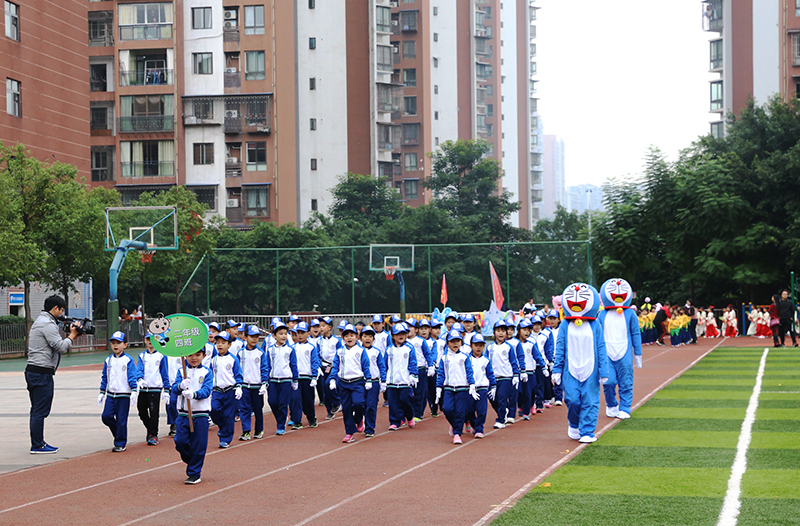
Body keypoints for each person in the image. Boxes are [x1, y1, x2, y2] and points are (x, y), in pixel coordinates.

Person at [552, 283, 609, 443]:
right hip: (570, 369)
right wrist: (556, 369)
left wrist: (603, 371)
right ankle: (574, 423)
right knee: (572, 400)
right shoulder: (565, 324)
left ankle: (587, 431)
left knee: (590, 401)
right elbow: (560, 346)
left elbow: (601, 347)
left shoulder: (595, 324)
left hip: (591, 370)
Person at [25, 295, 81, 454]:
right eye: (61, 310)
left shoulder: (41, 321)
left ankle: (38, 442)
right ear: (55, 308)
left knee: (37, 409)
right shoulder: (47, 324)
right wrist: (72, 336)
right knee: (40, 410)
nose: (62, 313)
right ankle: (37, 445)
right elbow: (60, 346)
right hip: (41, 372)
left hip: (35, 370)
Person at [598, 278, 642, 420]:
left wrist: (638, 353)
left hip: (625, 352)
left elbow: (635, 333)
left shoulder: (630, 314)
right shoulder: (602, 315)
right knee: (608, 381)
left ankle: (625, 407)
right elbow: (597, 335)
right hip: (607, 353)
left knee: (626, 381)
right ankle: (611, 405)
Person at [172, 348, 213, 484]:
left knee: (199, 444)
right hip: (184, 413)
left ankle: (194, 473)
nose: (193, 358)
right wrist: (180, 386)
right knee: (180, 441)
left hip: (200, 414)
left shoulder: (207, 372)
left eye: (197, 355)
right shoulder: (181, 371)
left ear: (203, 356)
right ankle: (191, 460)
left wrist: (194, 394)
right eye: (190, 354)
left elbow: (207, 390)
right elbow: (174, 389)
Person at [329, 324, 372, 443]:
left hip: (357, 381)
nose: (349, 338)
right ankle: (349, 433)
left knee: (359, 403)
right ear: (343, 337)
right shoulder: (339, 351)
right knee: (346, 408)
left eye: (352, 335)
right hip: (343, 382)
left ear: (357, 337)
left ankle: (359, 419)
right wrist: (333, 379)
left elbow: (366, 366)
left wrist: (368, 379)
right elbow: (335, 366)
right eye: (346, 335)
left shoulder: (361, 350)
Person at [435, 329, 478, 445]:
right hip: (449, 388)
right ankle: (454, 426)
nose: (455, 344)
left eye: (458, 341)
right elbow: (441, 374)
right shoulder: (444, 358)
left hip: (462, 389)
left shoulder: (464, 357)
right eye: (452, 341)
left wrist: (472, 385)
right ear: (448, 343)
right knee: (447, 409)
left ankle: (457, 434)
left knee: (460, 412)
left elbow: (469, 372)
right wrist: (438, 388)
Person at [98, 331, 139, 453]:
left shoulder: (128, 360)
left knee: (121, 420)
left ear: (125, 345)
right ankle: (119, 434)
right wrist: (102, 391)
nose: (115, 346)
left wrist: (134, 390)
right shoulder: (108, 360)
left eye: (119, 343)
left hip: (123, 395)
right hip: (111, 395)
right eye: (113, 343)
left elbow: (132, 376)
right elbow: (105, 377)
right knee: (106, 417)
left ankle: (120, 443)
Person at [209, 331, 243, 448]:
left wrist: (238, 386)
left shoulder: (233, 359)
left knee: (229, 416)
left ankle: (225, 438)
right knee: (214, 410)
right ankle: (222, 426)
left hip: (230, 391)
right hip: (217, 391)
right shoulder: (213, 360)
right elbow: (210, 375)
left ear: (229, 345)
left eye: (223, 343)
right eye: (218, 342)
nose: (220, 345)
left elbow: (238, 374)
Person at [136, 333, 170, 445]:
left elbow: (164, 372)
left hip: (155, 388)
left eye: (153, 339)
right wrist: (140, 379)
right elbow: (139, 369)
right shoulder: (142, 356)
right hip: (144, 388)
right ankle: (150, 429)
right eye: (148, 339)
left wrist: (166, 388)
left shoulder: (161, 355)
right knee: (141, 411)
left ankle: (153, 434)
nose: (150, 341)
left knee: (154, 412)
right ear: (145, 341)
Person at [485, 320, 520, 429]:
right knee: (492, 398)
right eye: (498, 331)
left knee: (501, 397)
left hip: (505, 377)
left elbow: (513, 362)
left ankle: (500, 420)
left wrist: (515, 375)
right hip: (493, 378)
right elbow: (486, 362)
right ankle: (503, 411)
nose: (500, 333)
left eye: (503, 331)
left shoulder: (508, 347)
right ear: (494, 332)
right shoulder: (490, 347)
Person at [266, 322, 299, 435]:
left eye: (285, 333)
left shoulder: (290, 350)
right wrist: (265, 380)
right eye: (280, 334)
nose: (283, 336)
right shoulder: (270, 350)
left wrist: (295, 380)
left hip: (286, 380)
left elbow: (293, 365)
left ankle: (281, 425)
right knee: (272, 402)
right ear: (274, 335)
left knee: (283, 403)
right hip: (274, 380)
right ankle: (281, 418)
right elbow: (268, 365)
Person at [385, 323, 418, 431]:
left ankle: (409, 416)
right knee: (393, 403)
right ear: (393, 336)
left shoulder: (409, 348)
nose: (401, 336)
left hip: (405, 381)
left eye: (403, 334)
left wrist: (413, 375)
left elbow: (413, 363)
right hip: (392, 382)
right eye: (398, 334)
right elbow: (385, 364)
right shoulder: (389, 349)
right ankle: (394, 421)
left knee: (406, 400)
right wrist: (384, 378)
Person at [238, 325, 269, 441]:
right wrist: (238, 384)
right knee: (244, 409)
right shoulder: (240, 353)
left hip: (257, 386)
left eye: (256, 336)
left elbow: (264, 368)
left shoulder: (260, 353)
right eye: (251, 336)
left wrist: (264, 383)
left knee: (257, 409)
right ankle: (246, 431)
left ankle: (258, 429)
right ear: (245, 337)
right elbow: (238, 370)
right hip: (245, 386)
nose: (254, 339)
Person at [289, 321, 321, 430]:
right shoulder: (292, 347)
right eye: (298, 333)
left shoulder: (311, 347)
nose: (300, 335)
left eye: (303, 333)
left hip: (307, 378)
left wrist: (314, 377)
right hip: (297, 378)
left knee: (308, 400)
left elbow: (314, 362)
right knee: (296, 399)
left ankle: (312, 418)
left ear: (307, 333)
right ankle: (297, 421)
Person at [466, 334, 495, 439]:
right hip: (471, 389)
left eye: (481, 345)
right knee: (469, 410)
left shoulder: (486, 361)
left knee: (482, 410)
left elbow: (490, 374)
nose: (478, 347)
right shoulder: (467, 359)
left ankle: (479, 429)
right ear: (471, 345)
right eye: (476, 345)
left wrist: (493, 386)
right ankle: (474, 424)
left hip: (482, 388)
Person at [406, 318, 435, 421]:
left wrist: (430, 366)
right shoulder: (404, 342)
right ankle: (410, 412)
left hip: (421, 369)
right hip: (408, 370)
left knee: (420, 392)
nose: (408, 329)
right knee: (408, 392)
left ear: (416, 329)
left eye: (411, 327)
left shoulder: (421, 341)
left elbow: (427, 354)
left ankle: (418, 413)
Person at [360, 326, 386, 437]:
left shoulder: (376, 352)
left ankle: (369, 428)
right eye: (365, 336)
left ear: (373, 339)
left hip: (374, 382)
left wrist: (383, 380)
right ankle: (359, 420)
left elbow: (382, 367)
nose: (367, 339)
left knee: (371, 405)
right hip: (359, 381)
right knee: (359, 404)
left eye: (370, 336)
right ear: (360, 338)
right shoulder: (357, 351)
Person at [318, 317, 342, 419]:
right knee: (325, 392)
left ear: (329, 327)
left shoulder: (336, 341)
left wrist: (336, 366)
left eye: (323, 326)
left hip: (333, 367)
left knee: (329, 384)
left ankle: (337, 402)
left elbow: (340, 354)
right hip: (323, 367)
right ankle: (329, 410)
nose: (321, 328)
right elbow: (317, 354)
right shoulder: (319, 341)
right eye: (320, 326)